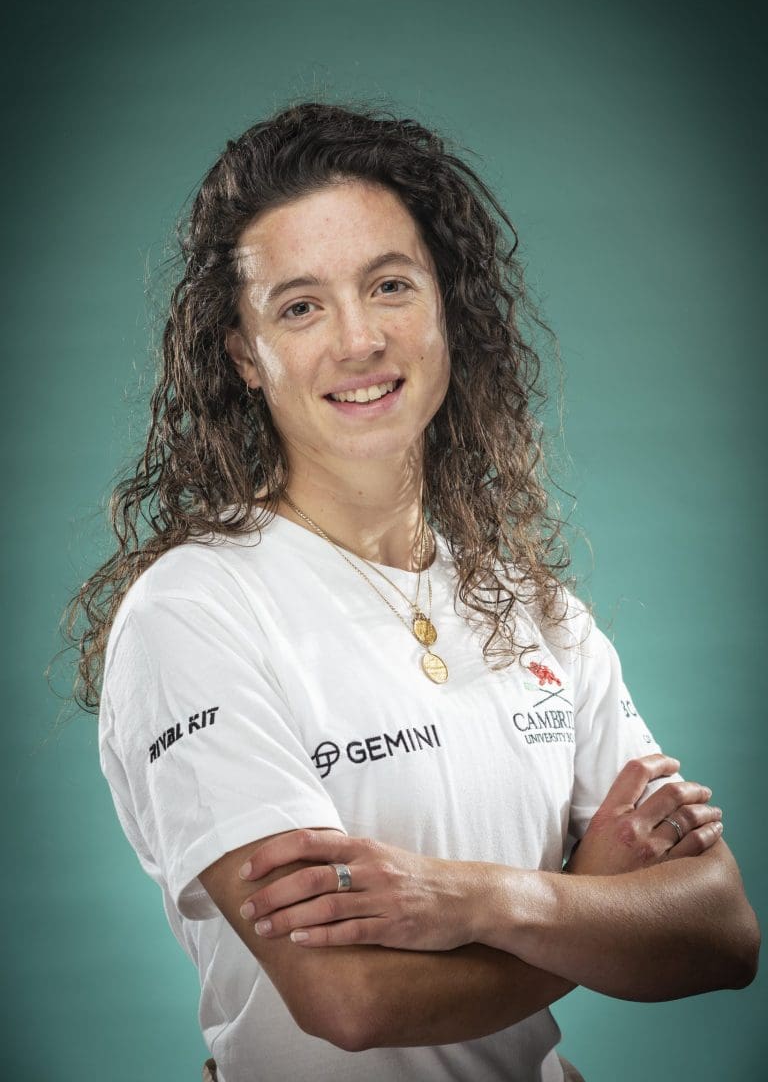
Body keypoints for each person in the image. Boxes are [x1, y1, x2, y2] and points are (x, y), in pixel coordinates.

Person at [70, 101, 759, 1082]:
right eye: (300, 306)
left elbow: (722, 930)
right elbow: (349, 1001)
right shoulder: (193, 613)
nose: (359, 340)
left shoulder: (537, 609)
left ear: (447, 308)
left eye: (389, 285)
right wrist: (593, 903)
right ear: (244, 356)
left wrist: (480, 899)